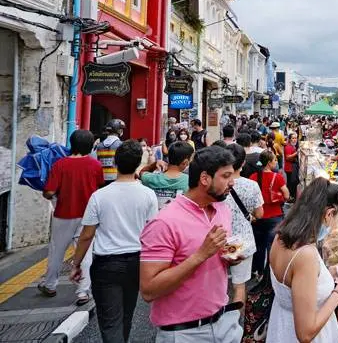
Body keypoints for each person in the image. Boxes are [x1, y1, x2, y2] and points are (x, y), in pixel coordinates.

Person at [139, 146, 245, 342]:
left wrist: (233, 255)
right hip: (184, 332)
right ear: (205, 179)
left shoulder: (222, 208)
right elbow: (149, 290)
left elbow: (221, 253)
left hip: (224, 322)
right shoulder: (165, 222)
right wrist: (200, 255)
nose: (232, 182)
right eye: (226, 176)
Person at [70, 140, 158, 342]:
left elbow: (86, 235)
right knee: (127, 314)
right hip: (137, 262)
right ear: (137, 165)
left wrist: (76, 264)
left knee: (110, 320)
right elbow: (152, 232)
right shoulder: (148, 195)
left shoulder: (99, 196)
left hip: (106, 264)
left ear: (115, 163)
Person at [267, 179, 338, 343]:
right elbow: (305, 333)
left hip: (281, 324)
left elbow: (294, 281)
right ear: (329, 214)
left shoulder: (281, 236)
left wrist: (329, 272)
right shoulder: (305, 255)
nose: (336, 223)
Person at [39, 129, 104, 304]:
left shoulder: (60, 164)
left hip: (63, 215)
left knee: (56, 251)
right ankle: (83, 292)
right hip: (88, 216)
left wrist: (50, 195)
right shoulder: (95, 166)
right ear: (91, 146)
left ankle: (50, 285)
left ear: (72, 144)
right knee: (85, 253)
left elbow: (50, 191)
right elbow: (98, 189)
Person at [223, 143, 264, 309]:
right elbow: (259, 213)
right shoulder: (251, 185)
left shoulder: (217, 183)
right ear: (242, 164)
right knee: (239, 285)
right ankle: (234, 327)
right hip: (241, 239)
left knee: (216, 284)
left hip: (219, 238)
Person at [251, 151, 289, 277]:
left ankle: (259, 271)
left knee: (259, 245)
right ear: (268, 163)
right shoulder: (277, 177)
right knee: (272, 247)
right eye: (275, 160)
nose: (276, 162)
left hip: (258, 217)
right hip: (275, 216)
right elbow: (287, 195)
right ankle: (271, 274)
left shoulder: (253, 177)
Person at [140, 141, 193, 209]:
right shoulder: (189, 181)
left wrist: (154, 164)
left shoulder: (151, 178)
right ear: (185, 162)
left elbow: (142, 172)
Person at [95, 119, 125, 184]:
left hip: (101, 180)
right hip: (116, 180)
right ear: (119, 131)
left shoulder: (98, 146)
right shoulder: (122, 145)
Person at [284, 132, 300, 199]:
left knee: (292, 182)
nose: (294, 140)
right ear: (290, 139)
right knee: (291, 183)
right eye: (293, 138)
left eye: (295, 138)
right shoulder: (288, 147)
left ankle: (291, 195)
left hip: (292, 166)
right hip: (289, 167)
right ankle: (290, 196)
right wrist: (296, 153)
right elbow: (287, 157)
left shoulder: (293, 146)